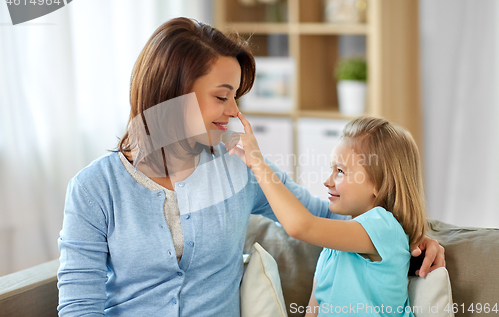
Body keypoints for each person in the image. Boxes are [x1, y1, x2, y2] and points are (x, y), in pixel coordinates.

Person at [57, 17, 445, 317]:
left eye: (236, 97)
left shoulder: (240, 171)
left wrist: (413, 235)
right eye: (223, 97)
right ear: (173, 95)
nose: (234, 113)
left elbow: (329, 217)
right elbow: (79, 307)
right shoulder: (94, 189)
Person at [229, 114, 430, 316]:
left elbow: (301, 226)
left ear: (379, 184)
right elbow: (314, 309)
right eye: (331, 169)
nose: (327, 181)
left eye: (340, 171)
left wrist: (258, 165)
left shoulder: (383, 227)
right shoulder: (333, 247)